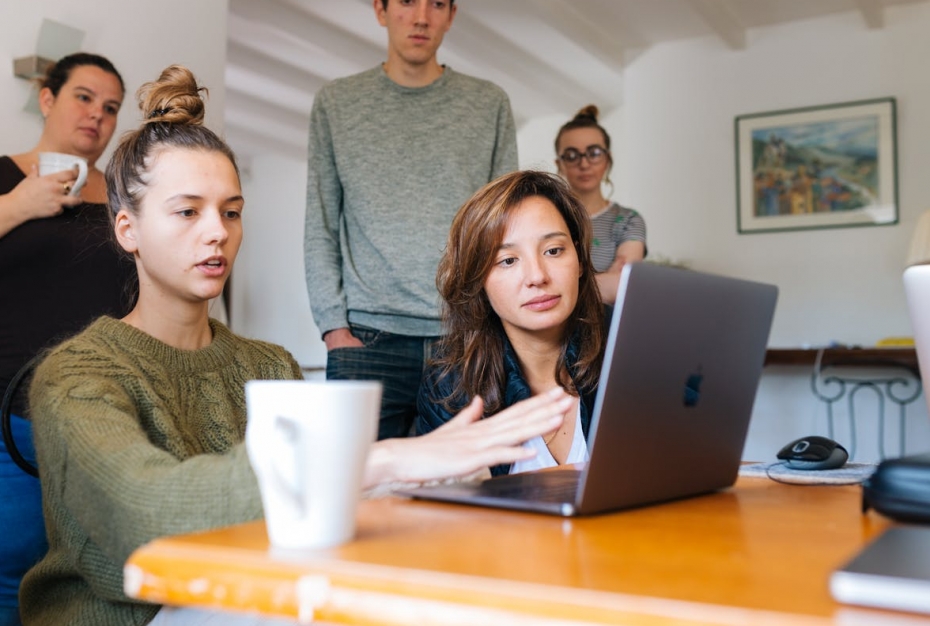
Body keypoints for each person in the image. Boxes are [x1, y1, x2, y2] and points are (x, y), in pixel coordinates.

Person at [19, 65, 570, 626]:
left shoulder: (268, 365)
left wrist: (428, 481)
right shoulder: (74, 377)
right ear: (127, 229)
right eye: (187, 211)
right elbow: (143, 514)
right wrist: (375, 459)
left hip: (256, 603)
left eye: (231, 212)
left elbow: (315, 526)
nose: (217, 232)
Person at [304, 0, 519, 440]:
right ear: (380, 10)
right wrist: (333, 327)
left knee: (460, 496)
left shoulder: (489, 104)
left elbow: (505, 229)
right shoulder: (336, 103)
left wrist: (495, 326)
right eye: (406, 2)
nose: (421, 17)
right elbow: (320, 222)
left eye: (437, 3)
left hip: (464, 336)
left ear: (452, 15)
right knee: (359, 496)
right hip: (364, 340)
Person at [0, 52, 135, 626]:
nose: (97, 116)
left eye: (110, 108)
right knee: (11, 571)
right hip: (10, 418)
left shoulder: (127, 198)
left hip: (102, 422)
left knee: (100, 578)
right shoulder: (4, 177)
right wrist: (16, 205)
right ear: (47, 98)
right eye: (83, 97)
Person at [416, 171, 606, 477]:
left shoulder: (630, 350)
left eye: (553, 251)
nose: (537, 276)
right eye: (508, 260)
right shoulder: (449, 388)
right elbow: (443, 517)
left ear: (580, 260)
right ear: (478, 280)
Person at [554, 105, 646, 304]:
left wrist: (557, 293)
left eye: (593, 152)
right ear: (559, 164)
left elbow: (621, 285)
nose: (584, 164)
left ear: (607, 159)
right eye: (571, 155)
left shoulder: (629, 220)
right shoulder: (548, 217)